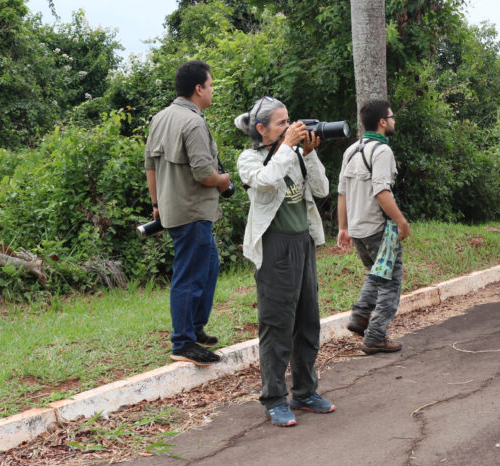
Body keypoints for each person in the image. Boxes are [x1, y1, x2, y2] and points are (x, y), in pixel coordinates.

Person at [235, 96, 335, 427]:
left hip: (302, 243)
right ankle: (274, 398)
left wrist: (310, 153)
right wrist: (289, 149)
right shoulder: (249, 159)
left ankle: (305, 392)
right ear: (261, 129)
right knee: (277, 324)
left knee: (308, 321)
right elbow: (266, 182)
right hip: (274, 247)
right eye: (282, 123)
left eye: (289, 120)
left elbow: (321, 190)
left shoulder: (295, 155)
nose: (291, 127)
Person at [145, 60, 232, 367]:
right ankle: (182, 342)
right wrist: (224, 181)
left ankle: (194, 328)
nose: (212, 91)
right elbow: (203, 173)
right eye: (211, 86)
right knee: (190, 275)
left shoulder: (160, 118)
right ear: (199, 89)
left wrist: (157, 204)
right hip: (193, 210)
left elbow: (150, 166)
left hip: (173, 208)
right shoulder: (194, 122)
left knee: (207, 266)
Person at [337, 99, 409, 354]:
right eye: (391, 116)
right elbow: (381, 191)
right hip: (379, 229)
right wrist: (401, 220)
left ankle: (359, 316)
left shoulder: (352, 150)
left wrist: (343, 227)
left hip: (357, 229)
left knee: (376, 274)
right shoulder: (382, 151)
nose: (393, 120)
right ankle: (376, 335)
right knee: (390, 282)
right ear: (382, 122)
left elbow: (342, 193)